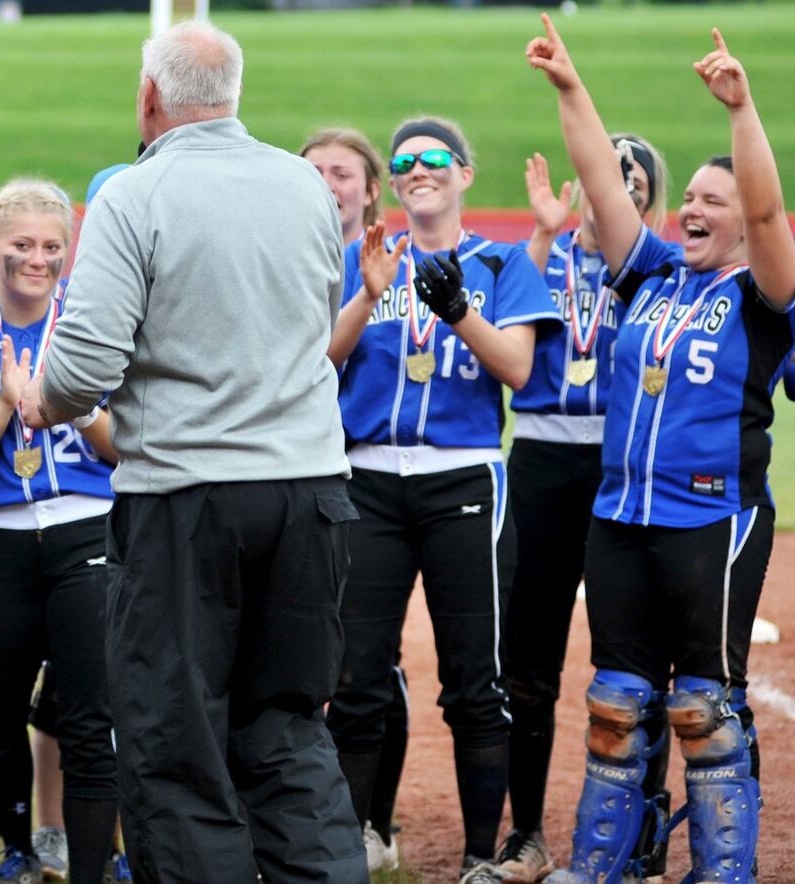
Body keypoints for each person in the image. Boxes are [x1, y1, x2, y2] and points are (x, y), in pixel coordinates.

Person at [18, 21, 367, 882]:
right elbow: (315, 319)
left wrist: (42, 399)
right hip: (309, 487)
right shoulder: (303, 184)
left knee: (177, 739)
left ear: (149, 98)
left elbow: (87, 363)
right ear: (234, 93)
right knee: (288, 726)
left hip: (187, 494)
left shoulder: (136, 195)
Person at [527, 19, 794, 882]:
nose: (694, 211)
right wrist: (571, 87)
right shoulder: (647, 275)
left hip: (712, 517)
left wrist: (741, 108)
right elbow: (607, 189)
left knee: (703, 708)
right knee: (616, 702)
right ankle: (604, 864)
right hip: (620, 515)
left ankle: (723, 872)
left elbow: (763, 207)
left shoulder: (763, 295)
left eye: (712, 205)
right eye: (691, 200)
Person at [324, 112, 562, 882]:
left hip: (463, 477)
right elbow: (320, 361)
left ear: (464, 174)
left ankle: (476, 856)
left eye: (434, 159)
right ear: (392, 185)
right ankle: (354, 841)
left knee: (472, 680)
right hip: (368, 482)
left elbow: (520, 373)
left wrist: (459, 310)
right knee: (355, 676)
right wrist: (367, 295)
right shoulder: (370, 258)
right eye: (403, 164)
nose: (417, 170)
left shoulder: (502, 265)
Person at [494, 135, 669, 882]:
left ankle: (639, 841)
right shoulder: (545, 255)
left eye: (629, 178)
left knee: (635, 663)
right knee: (527, 663)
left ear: (645, 197)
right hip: (540, 462)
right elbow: (503, 320)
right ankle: (525, 835)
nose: (612, 187)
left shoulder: (659, 268)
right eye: (604, 171)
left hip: (624, 467)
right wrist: (538, 231)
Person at [0, 178, 120, 884]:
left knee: (88, 721)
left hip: (86, 531)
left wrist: (69, 404)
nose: (38, 259)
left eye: (53, 246)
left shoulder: (95, 325)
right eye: (21, 244)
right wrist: (5, 405)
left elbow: (122, 448)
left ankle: (88, 871)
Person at [301, 126, 410, 875]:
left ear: (372, 189)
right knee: (311, 648)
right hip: (292, 475)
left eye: (343, 173)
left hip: (359, 474)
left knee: (369, 654)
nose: (329, 183)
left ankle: (373, 819)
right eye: (314, 172)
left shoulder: (393, 265)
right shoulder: (282, 258)